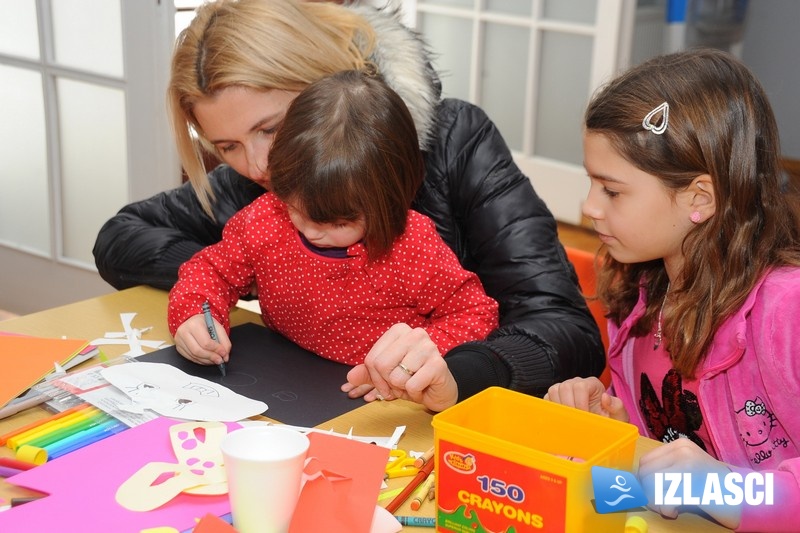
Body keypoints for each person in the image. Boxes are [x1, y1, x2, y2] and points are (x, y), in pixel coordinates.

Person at [93, 0, 604, 411]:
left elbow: (565, 328)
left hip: (450, 417)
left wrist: (460, 367)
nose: (259, 164)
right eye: (226, 146)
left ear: (324, 82)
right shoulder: (257, 191)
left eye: (271, 128)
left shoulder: (458, 141)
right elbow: (123, 235)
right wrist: (240, 277)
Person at [544, 48, 800, 531]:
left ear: (699, 198)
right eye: (591, 183)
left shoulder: (786, 310)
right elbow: (658, 461)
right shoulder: (642, 294)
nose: (589, 207)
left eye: (612, 190)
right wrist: (608, 425)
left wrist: (720, 488)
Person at [168, 70, 499, 367]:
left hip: (386, 404)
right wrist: (194, 315)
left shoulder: (411, 246)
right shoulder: (265, 219)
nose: (313, 232)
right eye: (297, 210)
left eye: (338, 223)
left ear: (389, 200)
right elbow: (210, 271)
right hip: (287, 376)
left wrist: (419, 355)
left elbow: (474, 314)